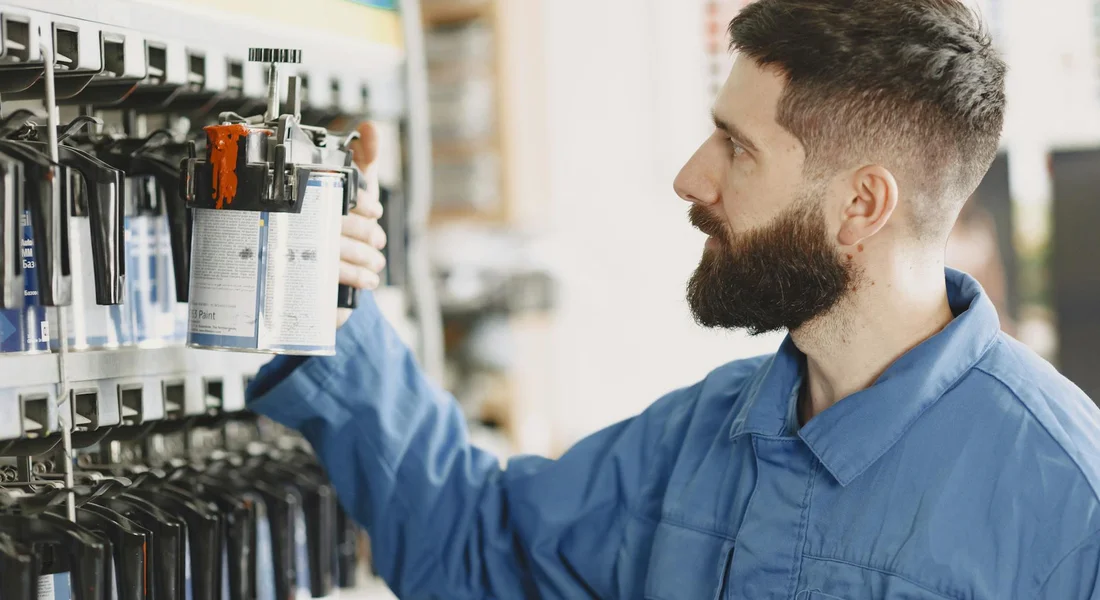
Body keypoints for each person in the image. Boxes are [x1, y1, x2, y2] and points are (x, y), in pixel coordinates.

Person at [247, 1, 1100, 597]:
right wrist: (335, 308)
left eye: (737, 148)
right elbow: (480, 550)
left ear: (861, 206)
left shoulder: (1069, 501)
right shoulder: (701, 439)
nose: (691, 177)